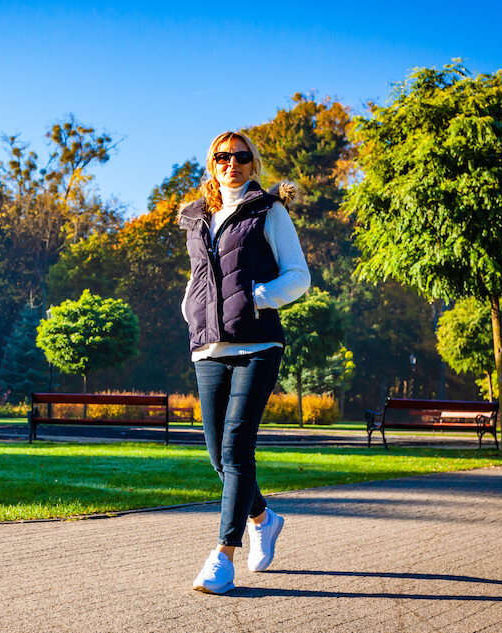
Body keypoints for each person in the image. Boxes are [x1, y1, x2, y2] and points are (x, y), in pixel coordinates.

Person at [177, 131, 310, 594]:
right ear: (211, 164)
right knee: (218, 456)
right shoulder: (198, 219)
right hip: (209, 348)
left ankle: (222, 557)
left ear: (253, 165)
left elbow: (299, 276)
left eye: (240, 157)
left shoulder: (268, 212)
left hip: (256, 345)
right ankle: (263, 517)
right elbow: (199, 277)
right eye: (221, 156)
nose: (230, 163)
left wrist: (260, 296)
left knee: (235, 448)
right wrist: (190, 309)